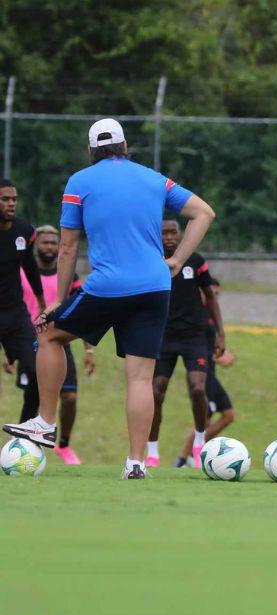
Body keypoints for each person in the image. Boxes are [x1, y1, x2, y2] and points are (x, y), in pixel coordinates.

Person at [3, 118, 216, 480]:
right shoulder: (153, 178)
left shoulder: (79, 182)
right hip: (154, 287)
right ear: (125, 146)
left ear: (91, 150)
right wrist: (177, 260)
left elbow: (68, 246)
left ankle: (45, 423)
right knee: (139, 377)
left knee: (49, 334)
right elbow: (204, 212)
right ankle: (135, 463)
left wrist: (58, 299)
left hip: (108, 287)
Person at [146, 216, 225, 469]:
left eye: (173, 233)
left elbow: (210, 298)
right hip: (163, 337)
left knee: (198, 388)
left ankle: (200, 441)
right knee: (156, 391)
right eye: (165, 233)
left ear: (179, 234)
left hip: (195, 336)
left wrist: (221, 334)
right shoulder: (151, 261)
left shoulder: (195, 261)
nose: (169, 237)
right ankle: (152, 450)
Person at [20, 225, 95, 464]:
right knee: (33, 397)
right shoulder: (23, 273)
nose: (50, 247)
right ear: (36, 246)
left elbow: (83, 312)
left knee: (70, 397)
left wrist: (89, 350)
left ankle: (64, 445)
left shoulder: (68, 276)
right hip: (28, 341)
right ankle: (25, 446)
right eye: (45, 242)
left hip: (59, 341)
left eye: (54, 242)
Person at [0, 179, 45, 425]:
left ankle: (24, 430)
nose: (11, 204)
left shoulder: (24, 231)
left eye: (14, 199)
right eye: (5, 199)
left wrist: (41, 303)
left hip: (16, 315)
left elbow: (30, 267)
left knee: (38, 373)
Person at [179, 278, 236, 464]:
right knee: (205, 420)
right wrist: (218, 357)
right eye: (212, 293)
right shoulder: (195, 316)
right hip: (202, 375)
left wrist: (222, 353)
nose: (215, 297)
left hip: (212, 375)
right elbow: (194, 348)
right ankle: (183, 460)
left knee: (228, 415)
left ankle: (193, 453)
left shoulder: (211, 315)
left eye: (218, 294)